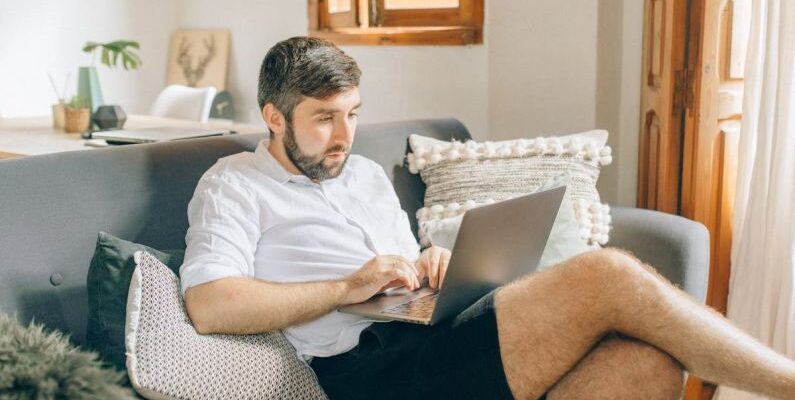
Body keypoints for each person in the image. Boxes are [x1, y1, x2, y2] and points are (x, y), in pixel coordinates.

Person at [179, 36, 795, 400]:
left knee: (648, 366)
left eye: (354, 113)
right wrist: (346, 287)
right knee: (609, 276)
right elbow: (210, 305)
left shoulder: (363, 176)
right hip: (364, 371)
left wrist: (427, 264)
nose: (345, 135)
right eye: (324, 118)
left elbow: (403, 270)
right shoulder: (234, 185)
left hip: (429, 334)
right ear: (275, 117)